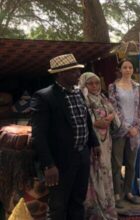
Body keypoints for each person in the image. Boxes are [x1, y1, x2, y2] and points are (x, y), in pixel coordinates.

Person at [31, 54, 100, 219]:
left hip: (82, 156)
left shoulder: (78, 93)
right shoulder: (44, 97)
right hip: (60, 161)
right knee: (58, 206)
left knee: (78, 201)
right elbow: (38, 135)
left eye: (78, 71)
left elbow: (86, 121)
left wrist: (94, 142)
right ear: (61, 74)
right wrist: (48, 165)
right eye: (74, 71)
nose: (78, 74)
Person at [79, 72, 119, 219]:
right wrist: (96, 123)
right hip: (92, 141)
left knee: (105, 170)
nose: (95, 86)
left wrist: (110, 117)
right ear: (84, 84)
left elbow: (113, 112)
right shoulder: (83, 99)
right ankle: (95, 211)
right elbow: (83, 120)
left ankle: (107, 207)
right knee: (93, 172)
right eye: (91, 83)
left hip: (106, 140)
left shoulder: (102, 97)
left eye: (97, 83)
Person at [108, 59, 140, 205]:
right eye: (125, 67)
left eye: (130, 67)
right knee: (116, 164)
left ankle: (128, 192)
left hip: (135, 132)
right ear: (120, 69)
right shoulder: (113, 87)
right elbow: (113, 109)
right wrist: (126, 127)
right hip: (119, 131)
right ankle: (117, 194)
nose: (128, 70)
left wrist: (136, 127)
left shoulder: (138, 87)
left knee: (131, 164)